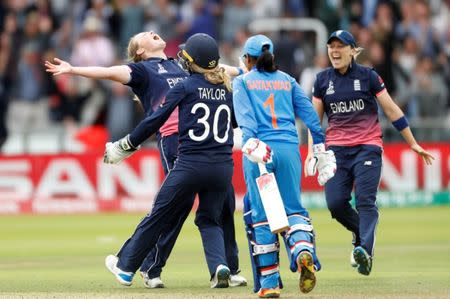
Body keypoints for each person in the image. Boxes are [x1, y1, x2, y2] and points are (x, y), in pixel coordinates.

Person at [45, 31, 246, 288]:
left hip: (200, 144)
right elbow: (108, 72)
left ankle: (227, 266)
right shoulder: (141, 70)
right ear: (139, 50)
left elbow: (216, 67)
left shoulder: (181, 64)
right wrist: (73, 69)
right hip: (176, 140)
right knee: (177, 208)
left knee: (222, 203)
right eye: (145, 36)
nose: (153, 33)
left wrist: (245, 71)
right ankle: (151, 268)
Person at [102, 32, 237, 288]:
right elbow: (236, 123)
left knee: (159, 213)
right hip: (222, 167)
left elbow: (156, 119)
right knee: (209, 218)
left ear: (190, 60)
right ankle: (220, 267)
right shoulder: (224, 88)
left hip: (190, 164)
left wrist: (127, 144)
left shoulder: (184, 86)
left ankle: (125, 267)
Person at [305, 30, 435, 276]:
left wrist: (413, 143)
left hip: (368, 148)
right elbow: (314, 121)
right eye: (331, 46)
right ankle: (359, 232)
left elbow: (392, 110)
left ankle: (364, 250)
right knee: (335, 204)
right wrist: (314, 151)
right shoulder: (322, 80)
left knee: (365, 200)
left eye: (340, 47)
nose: (334, 51)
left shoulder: (368, 77)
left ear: (353, 51)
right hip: (336, 152)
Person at [233, 34, 336, 298]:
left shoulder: (242, 82)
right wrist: (320, 146)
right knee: (292, 209)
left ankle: (269, 282)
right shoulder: (288, 80)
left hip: (260, 152)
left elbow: (247, 122)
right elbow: (311, 116)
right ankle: (302, 249)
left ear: (247, 59)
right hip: (290, 150)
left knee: (263, 216)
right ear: (273, 57)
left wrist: (251, 144)